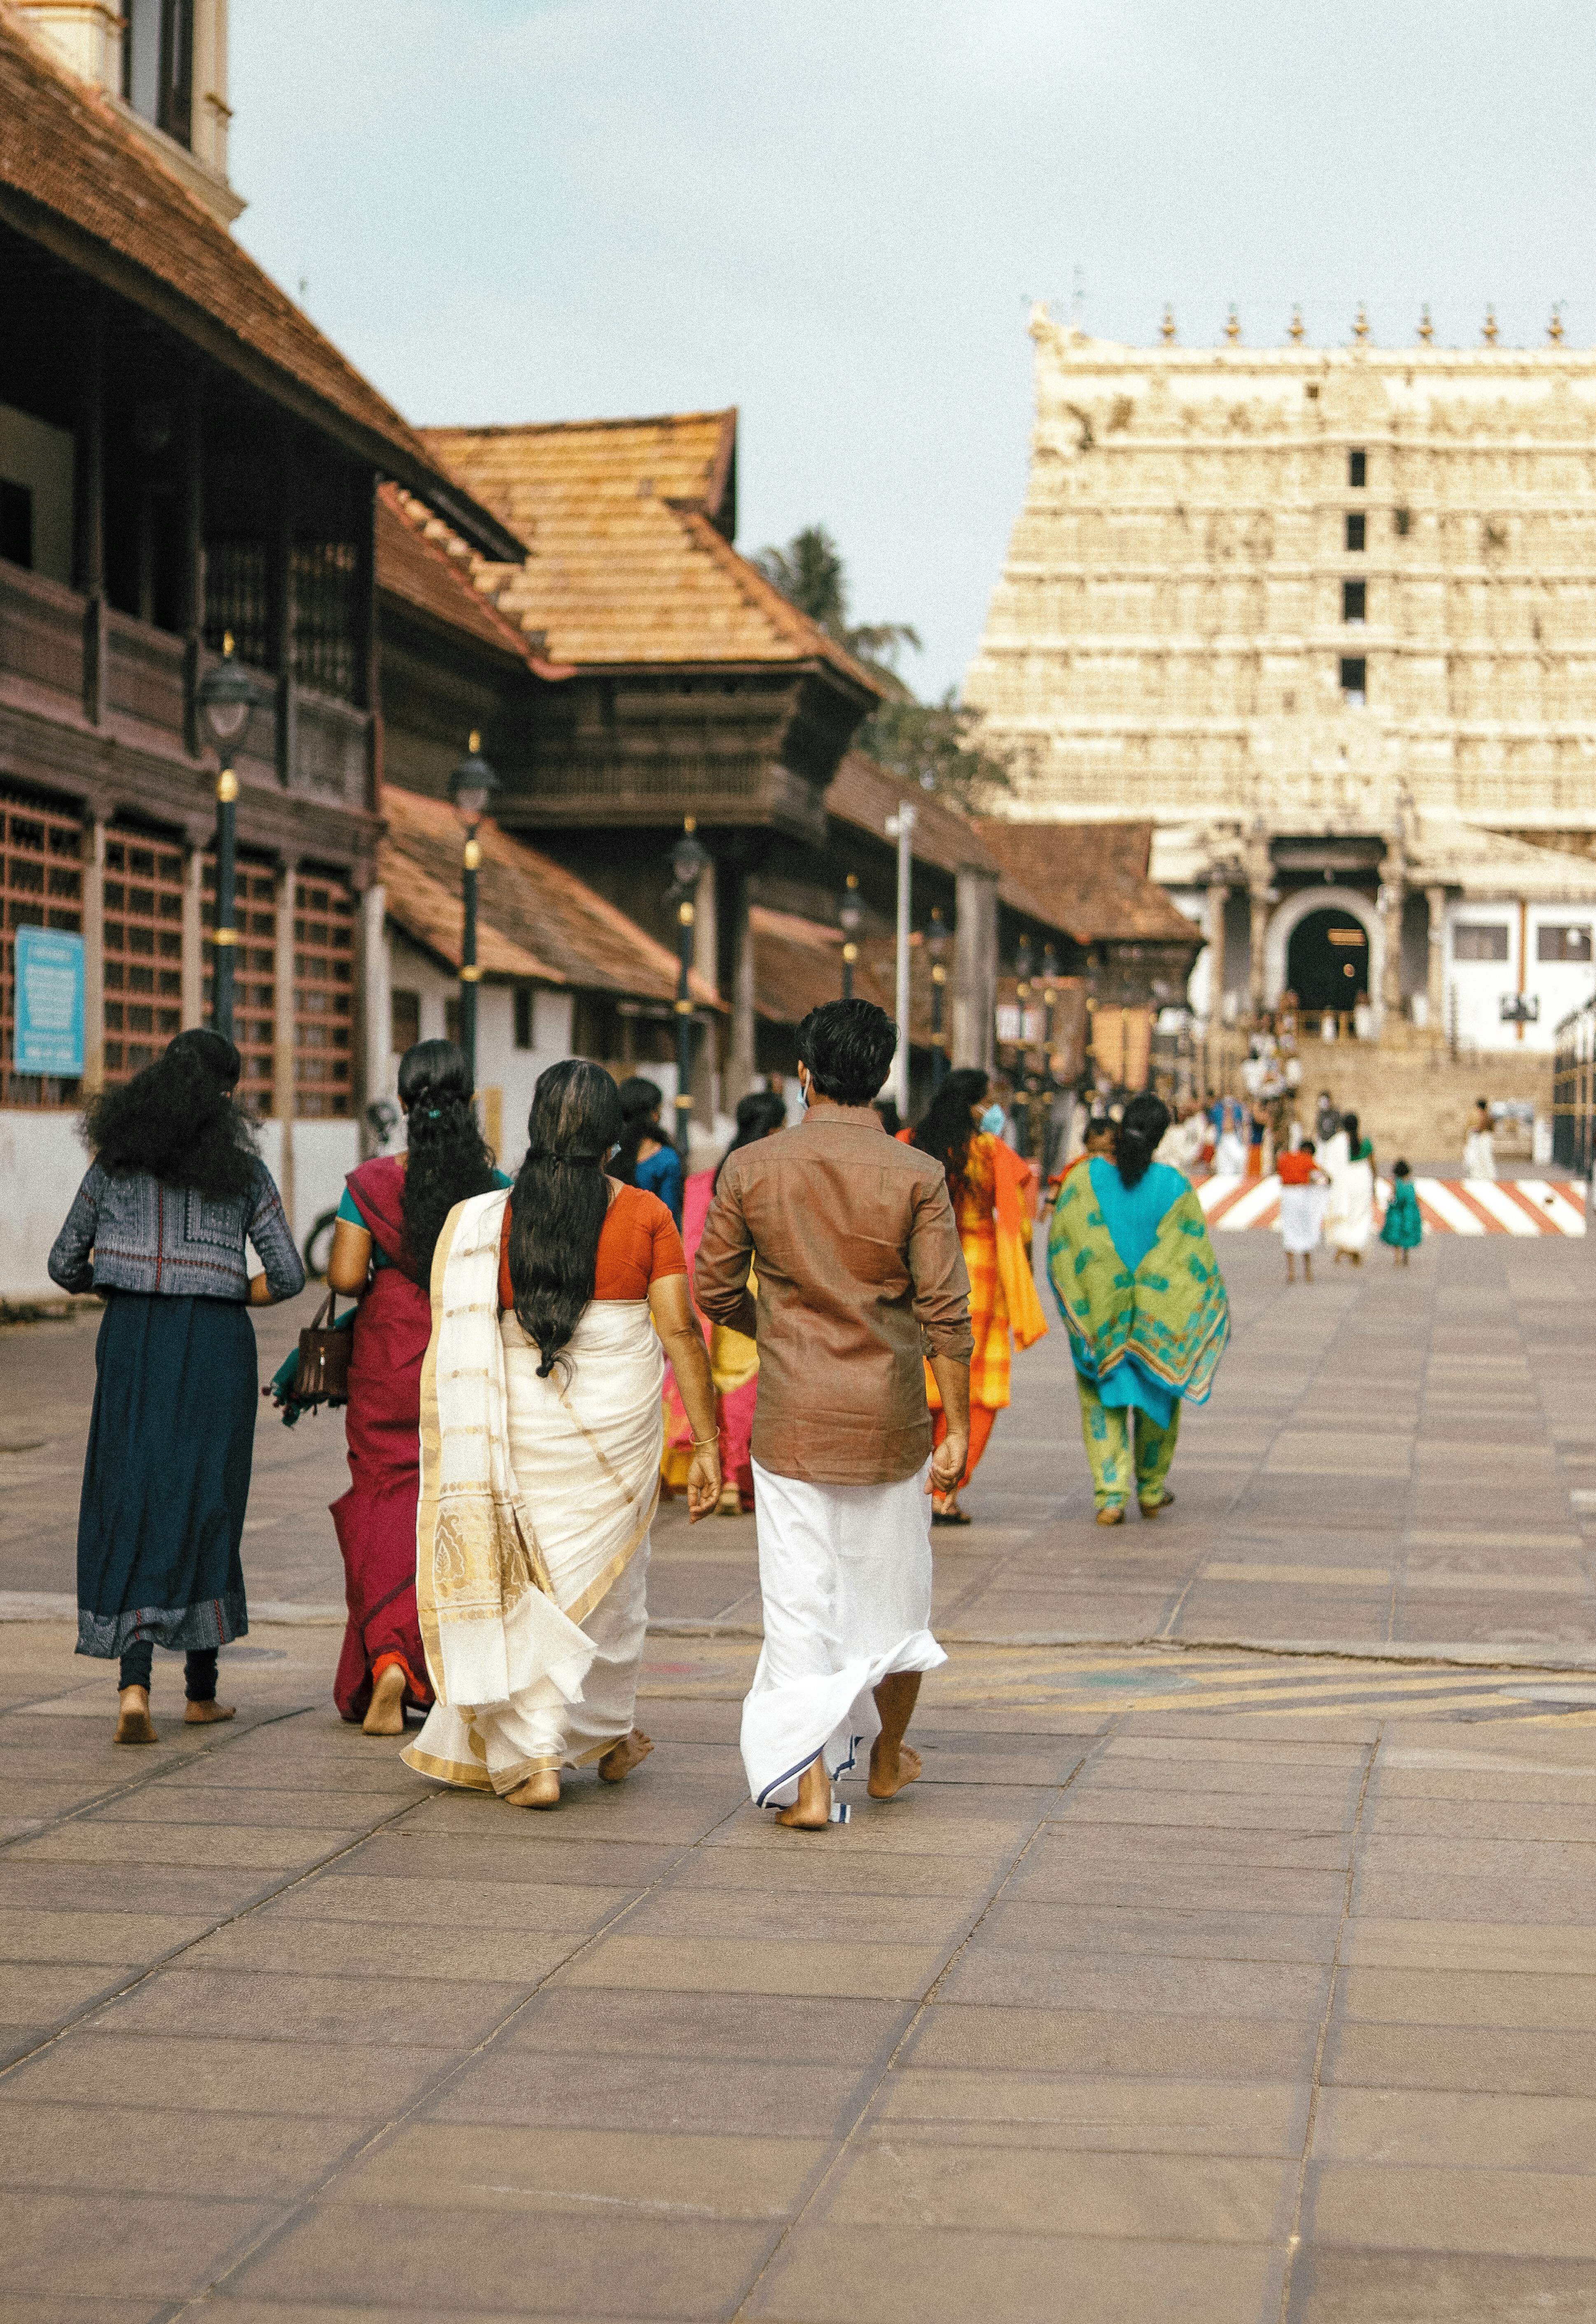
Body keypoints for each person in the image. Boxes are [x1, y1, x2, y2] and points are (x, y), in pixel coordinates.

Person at [402, 1060, 720, 1808]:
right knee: (611, 1585)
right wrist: (707, 1442)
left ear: (536, 1128)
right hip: (616, 1435)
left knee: (531, 1580)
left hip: (513, 1425)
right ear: (616, 1135)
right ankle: (547, 1751)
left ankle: (600, 1736)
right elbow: (679, 1329)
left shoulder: (485, 1221)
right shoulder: (645, 1214)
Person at [695, 999, 972, 1831]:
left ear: (803, 1074)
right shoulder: (916, 1173)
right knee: (895, 1600)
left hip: (791, 1424)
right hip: (889, 1422)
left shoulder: (749, 1167)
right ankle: (885, 1756)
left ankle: (807, 1782)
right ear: (881, 1077)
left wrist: (775, 1329)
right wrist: (955, 1425)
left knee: (799, 1603)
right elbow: (945, 1315)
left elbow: (712, 1288)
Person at [47, 1029, 305, 1744]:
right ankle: (201, 1690)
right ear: (226, 1097)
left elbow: (63, 1260)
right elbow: (288, 1273)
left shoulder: (114, 1165)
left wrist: (123, 1280)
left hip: (131, 1341)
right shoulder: (245, 1174)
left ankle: (134, 1682)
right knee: (206, 1499)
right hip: (217, 1347)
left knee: (129, 1491)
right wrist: (222, 1287)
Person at [321, 1039, 508, 1736]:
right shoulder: (493, 1184)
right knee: (451, 1498)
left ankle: (387, 1656)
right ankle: (434, 1663)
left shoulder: (369, 1182)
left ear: (402, 1103)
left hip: (387, 1356)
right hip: (461, 1353)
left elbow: (343, 1277)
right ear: (465, 1104)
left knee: (381, 1496)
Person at [1047, 1090, 1229, 1527]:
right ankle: (1150, 1490)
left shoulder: (1082, 1179)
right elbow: (1190, 1259)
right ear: (1160, 1136)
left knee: (1101, 1401)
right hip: (1157, 1320)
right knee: (1156, 1399)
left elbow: (1063, 1247)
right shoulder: (1174, 1187)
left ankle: (1110, 1496)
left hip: (1099, 1317)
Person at [909, 1068, 1048, 1524]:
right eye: (987, 1100)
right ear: (973, 1106)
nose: (993, 1109)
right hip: (978, 1277)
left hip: (916, 1272)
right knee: (976, 1389)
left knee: (916, 1383)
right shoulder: (990, 1152)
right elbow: (1020, 1217)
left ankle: (912, 1489)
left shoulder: (908, 1142)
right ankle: (945, 1492)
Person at [663, 1088, 787, 1514]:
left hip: (711, 1287)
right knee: (749, 1387)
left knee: (717, 1381)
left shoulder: (706, 1181)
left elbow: (690, 1240)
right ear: (774, 1129)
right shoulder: (775, 1175)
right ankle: (737, 1475)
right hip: (760, 1287)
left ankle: (726, 1473)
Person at [612, 1075, 685, 1225]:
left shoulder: (608, 1151)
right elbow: (669, 1218)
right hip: (645, 1242)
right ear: (653, 1114)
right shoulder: (665, 1158)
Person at [1323, 1109, 1376, 1265]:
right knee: (1360, 1214)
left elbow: (1328, 1165)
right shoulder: (1365, 1141)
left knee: (1346, 1212)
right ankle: (1356, 1250)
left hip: (1345, 1181)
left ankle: (1345, 1248)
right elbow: (1373, 1165)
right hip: (1363, 1179)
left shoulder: (1337, 1141)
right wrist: (1374, 1183)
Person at [1277, 1137, 1327, 1285]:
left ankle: (1291, 1273)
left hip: (1287, 1196)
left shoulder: (1285, 1158)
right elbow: (1324, 1174)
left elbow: (1279, 1171)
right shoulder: (1307, 1159)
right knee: (1306, 1230)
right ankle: (1308, 1272)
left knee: (1290, 1230)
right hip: (1303, 1196)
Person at [1381, 1160, 1423, 1265]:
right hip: (1409, 1214)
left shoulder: (1396, 1184)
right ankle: (1406, 1255)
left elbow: (1393, 1198)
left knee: (1397, 1234)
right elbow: (1415, 1199)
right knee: (1407, 1234)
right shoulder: (1411, 1185)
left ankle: (1397, 1257)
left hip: (1397, 1213)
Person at [1464, 1099, 1496, 1180]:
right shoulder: (1488, 1115)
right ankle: (1485, 1175)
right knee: (1483, 1158)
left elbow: (1482, 1127)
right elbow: (1492, 1128)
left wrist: (1477, 1131)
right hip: (1483, 1138)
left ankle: (1482, 1176)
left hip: (1481, 1139)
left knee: (1482, 1158)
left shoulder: (1481, 1115)